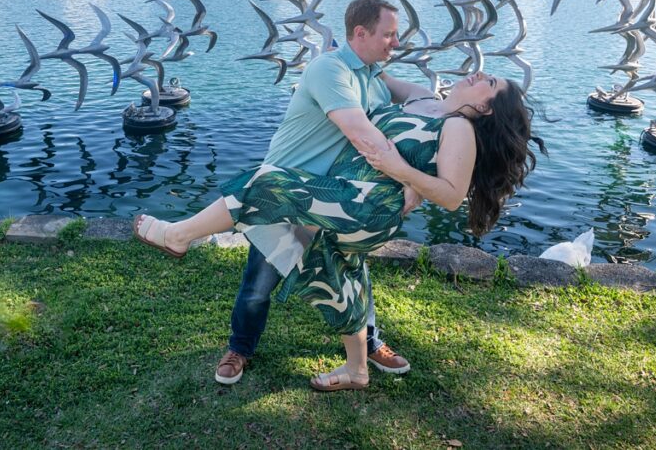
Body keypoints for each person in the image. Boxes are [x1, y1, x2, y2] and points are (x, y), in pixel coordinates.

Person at [135, 65, 544, 390]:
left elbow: (452, 195)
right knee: (336, 273)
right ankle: (357, 368)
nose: (477, 74)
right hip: (346, 194)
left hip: (369, 206)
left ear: (488, 108)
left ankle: (178, 235)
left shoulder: (459, 128)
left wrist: (403, 172)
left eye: (488, 82)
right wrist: (340, 52)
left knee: (266, 184)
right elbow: (371, 71)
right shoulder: (422, 96)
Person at [138, 0, 429, 386]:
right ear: (361, 33)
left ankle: (370, 343)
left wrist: (453, 110)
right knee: (260, 281)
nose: (396, 42)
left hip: (332, 196)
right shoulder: (330, 69)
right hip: (283, 192)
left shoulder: (375, 75)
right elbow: (363, 135)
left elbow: (421, 96)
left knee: (352, 272)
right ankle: (240, 348)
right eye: (389, 34)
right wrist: (412, 180)